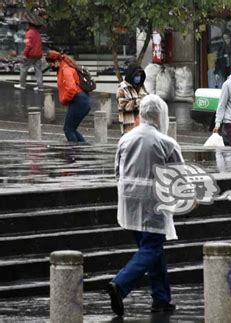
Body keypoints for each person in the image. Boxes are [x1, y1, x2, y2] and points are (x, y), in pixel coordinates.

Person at [108, 94, 182, 317]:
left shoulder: (126, 139)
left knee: (151, 249)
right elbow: (179, 175)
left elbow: (117, 171)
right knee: (151, 247)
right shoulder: (166, 142)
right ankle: (120, 284)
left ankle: (161, 298)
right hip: (154, 202)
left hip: (129, 202)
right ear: (160, 115)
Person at [46, 50, 91, 142]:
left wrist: (64, 100)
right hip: (81, 100)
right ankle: (83, 149)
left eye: (50, 63)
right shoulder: (63, 68)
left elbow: (71, 89)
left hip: (79, 100)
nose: (50, 66)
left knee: (68, 129)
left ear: (56, 61)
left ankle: (75, 151)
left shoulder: (66, 69)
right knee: (71, 129)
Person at [14, 11, 44, 91]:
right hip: (38, 55)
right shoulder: (37, 33)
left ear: (29, 25)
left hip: (30, 55)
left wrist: (24, 54)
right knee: (38, 71)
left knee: (23, 68)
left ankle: (22, 84)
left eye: (26, 24)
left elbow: (29, 45)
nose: (25, 26)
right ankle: (40, 86)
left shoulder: (29, 33)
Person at [117, 62, 148, 134]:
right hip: (129, 125)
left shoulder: (141, 87)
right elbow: (123, 105)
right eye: (136, 75)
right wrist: (137, 102)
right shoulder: (122, 88)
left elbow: (146, 98)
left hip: (141, 123)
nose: (138, 77)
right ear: (131, 74)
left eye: (140, 75)